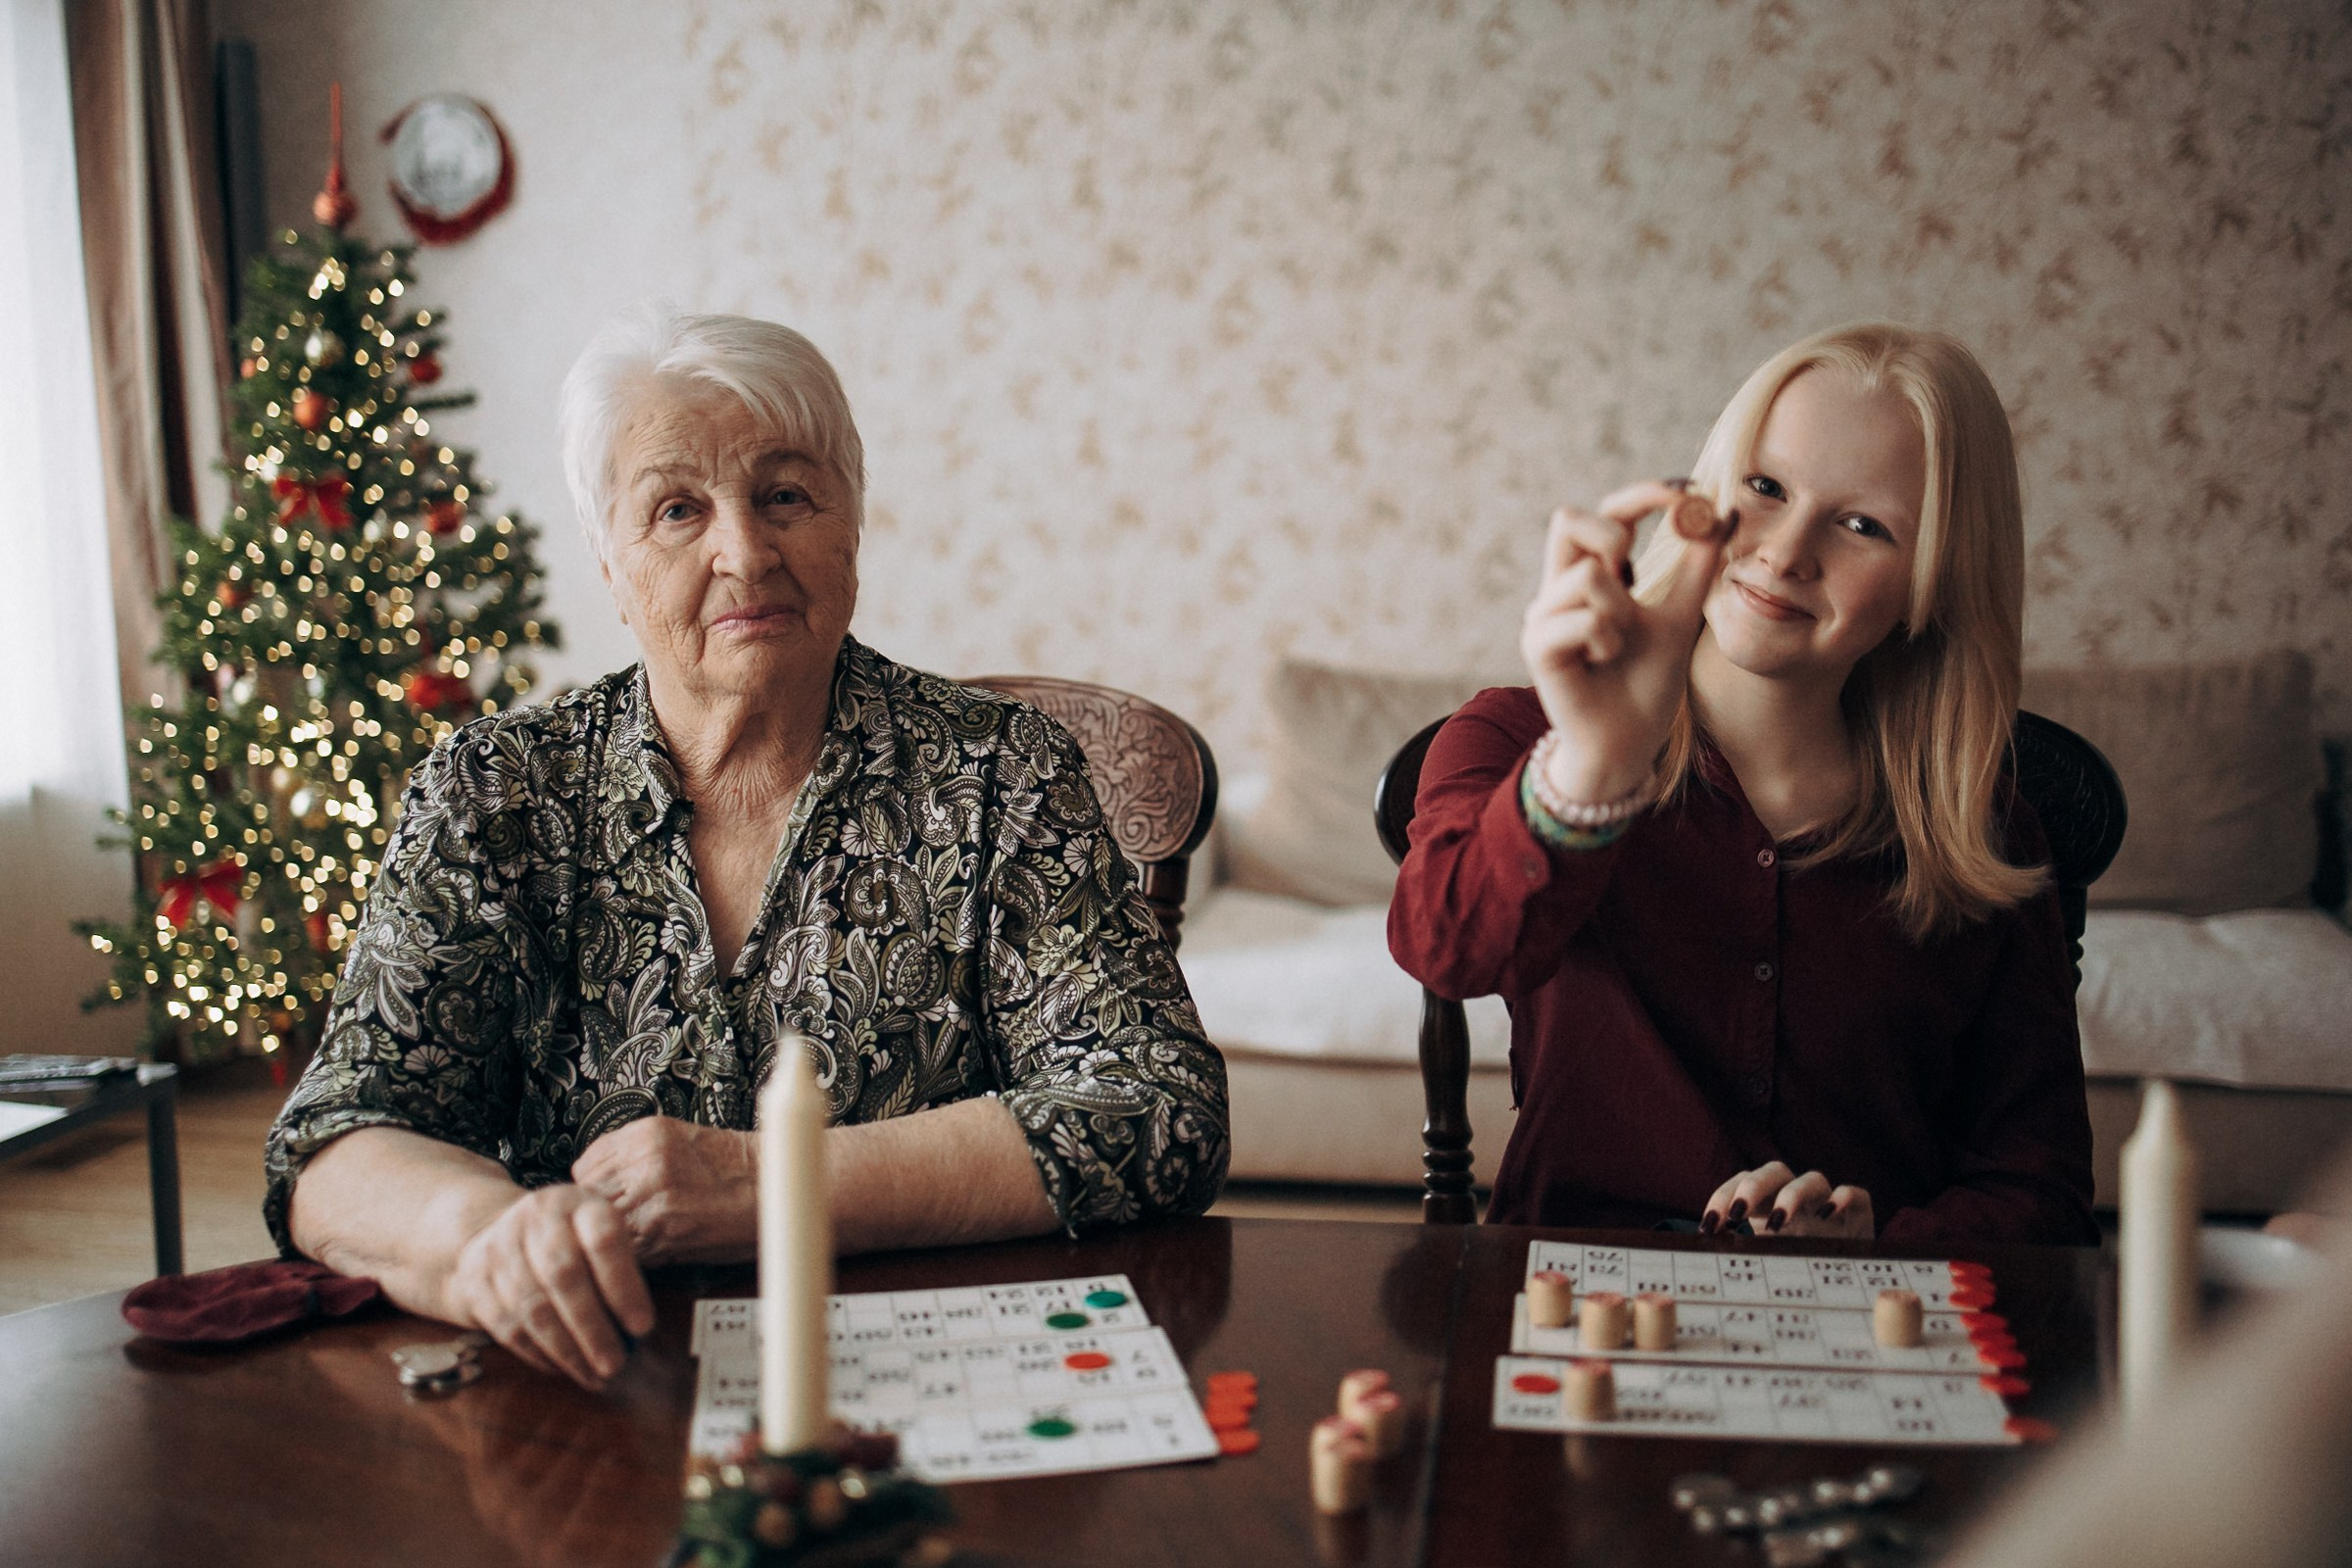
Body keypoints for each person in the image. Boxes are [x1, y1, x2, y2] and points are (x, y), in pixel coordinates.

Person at [265, 307, 1230, 1390]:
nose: (745, 552)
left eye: (786, 496)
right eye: (677, 509)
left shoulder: (1002, 771)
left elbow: (1159, 1102)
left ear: (851, 522)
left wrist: (771, 1182)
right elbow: (337, 1139)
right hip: (589, 1390)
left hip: (924, 1382)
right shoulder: (496, 791)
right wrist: (491, 1239)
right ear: (610, 561)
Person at [1388, 321, 2095, 1244]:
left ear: (1935, 581)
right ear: (1707, 494)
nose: (1786, 552)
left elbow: (2041, 1196)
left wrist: (1876, 1250)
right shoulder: (1521, 737)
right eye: (1765, 488)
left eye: (1863, 525)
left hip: (1869, 1310)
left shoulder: (1985, 832)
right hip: (1574, 1284)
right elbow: (1445, 952)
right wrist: (1591, 766)